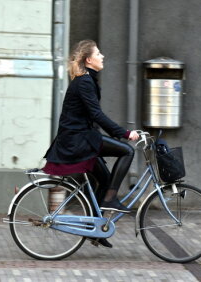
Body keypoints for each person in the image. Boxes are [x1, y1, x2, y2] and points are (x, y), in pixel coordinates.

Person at [42, 39, 139, 248]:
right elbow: (96, 114)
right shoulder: (85, 81)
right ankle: (110, 200)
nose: (102, 56)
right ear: (89, 60)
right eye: (98, 53)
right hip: (78, 140)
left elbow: (90, 116)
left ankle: (94, 230)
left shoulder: (86, 80)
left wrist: (105, 141)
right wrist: (124, 133)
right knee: (127, 151)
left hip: (82, 137)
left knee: (103, 178)